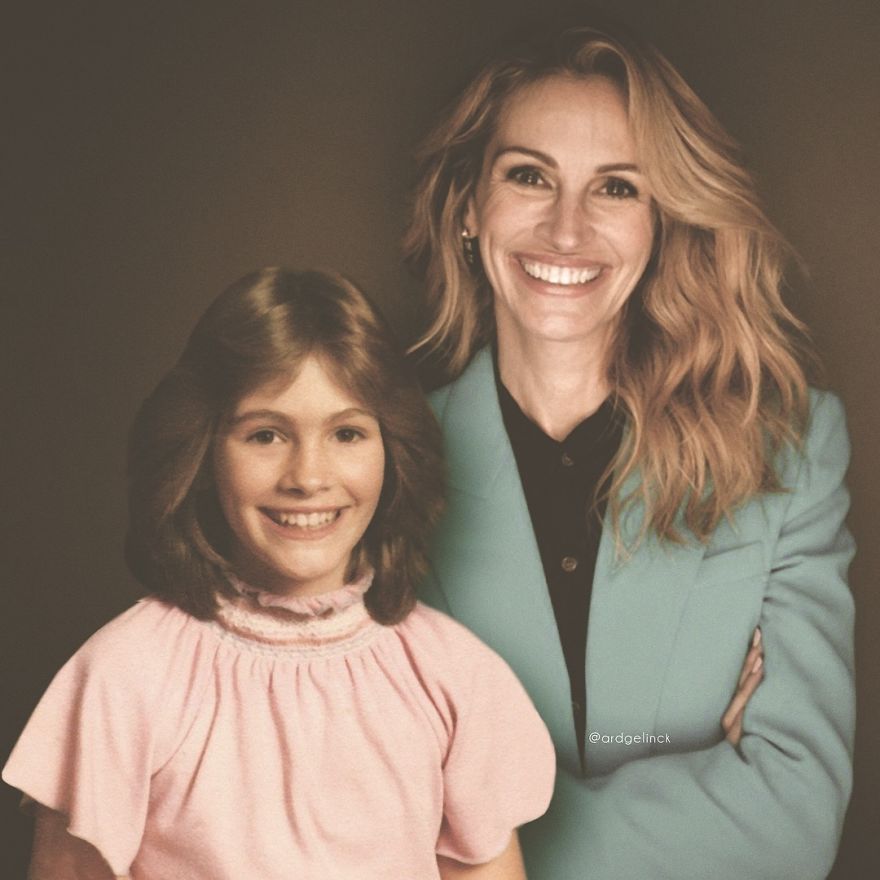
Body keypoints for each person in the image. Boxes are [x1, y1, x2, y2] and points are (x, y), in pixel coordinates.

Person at [405, 21, 855, 880]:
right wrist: (709, 797)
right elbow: (350, 803)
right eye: (529, 175)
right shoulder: (375, 466)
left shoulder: (792, 453)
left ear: (663, 221)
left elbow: (795, 818)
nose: (565, 229)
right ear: (468, 205)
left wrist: (471, 842)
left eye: (616, 187)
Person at [2, 268, 555, 879]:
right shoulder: (123, 677)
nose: (308, 477)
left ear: (393, 451)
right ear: (204, 452)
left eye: (347, 433)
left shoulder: (455, 676)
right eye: (266, 435)